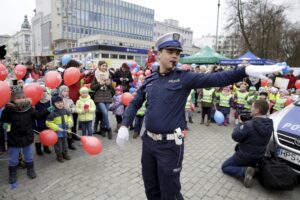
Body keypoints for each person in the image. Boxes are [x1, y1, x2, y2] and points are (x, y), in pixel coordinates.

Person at [116, 32, 284, 199]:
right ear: (159, 54)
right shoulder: (150, 80)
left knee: (169, 193)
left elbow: (216, 78)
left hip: (170, 146)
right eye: (170, 52)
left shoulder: (184, 78)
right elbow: (135, 102)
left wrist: (243, 71)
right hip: (148, 143)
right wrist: (124, 125)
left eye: (177, 53)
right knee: (151, 189)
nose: (175, 56)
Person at [0, 86, 50, 184]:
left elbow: (38, 115)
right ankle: (12, 173)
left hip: (27, 136)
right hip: (14, 138)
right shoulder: (8, 110)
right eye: (18, 98)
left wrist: (48, 110)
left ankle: (30, 170)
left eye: (23, 97)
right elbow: (2, 122)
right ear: (12, 99)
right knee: (13, 158)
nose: (21, 99)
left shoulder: (29, 108)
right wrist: (4, 125)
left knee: (29, 156)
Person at [221, 99, 273, 188]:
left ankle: (244, 171)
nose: (250, 109)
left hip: (244, 156)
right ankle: (254, 169)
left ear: (257, 111)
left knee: (225, 167)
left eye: (252, 107)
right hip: (259, 156)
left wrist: (239, 124)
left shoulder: (249, 125)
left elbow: (235, 136)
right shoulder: (269, 123)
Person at [91, 61, 114, 139]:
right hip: (99, 97)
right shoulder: (95, 75)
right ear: (99, 66)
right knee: (104, 112)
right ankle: (109, 129)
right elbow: (92, 87)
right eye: (103, 66)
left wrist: (109, 84)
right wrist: (99, 84)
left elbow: (112, 88)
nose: (104, 67)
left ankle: (103, 129)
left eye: (106, 66)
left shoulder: (109, 75)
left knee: (105, 114)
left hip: (107, 96)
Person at [46, 95, 73, 163]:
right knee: (58, 145)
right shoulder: (52, 113)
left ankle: (65, 154)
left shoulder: (65, 110)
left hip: (65, 132)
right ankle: (59, 156)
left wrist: (70, 123)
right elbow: (48, 123)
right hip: (57, 133)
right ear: (53, 104)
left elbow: (69, 117)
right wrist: (57, 128)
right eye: (57, 103)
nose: (60, 104)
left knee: (65, 144)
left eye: (61, 102)